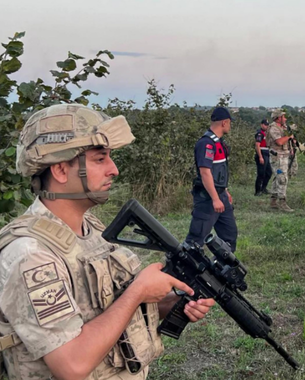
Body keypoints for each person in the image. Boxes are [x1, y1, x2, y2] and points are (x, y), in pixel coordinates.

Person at [0, 104, 215, 380]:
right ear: (61, 170)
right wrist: (137, 292)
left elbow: (107, 311)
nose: (113, 169)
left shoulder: (91, 231)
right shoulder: (31, 254)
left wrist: (171, 302)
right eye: (100, 159)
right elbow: (71, 365)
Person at [184, 107, 238, 252]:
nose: (230, 126)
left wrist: (224, 192)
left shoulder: (219, 142)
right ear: (224, 123)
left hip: (221, 196)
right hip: (207, 199)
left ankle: (222, 271)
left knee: (230, 236)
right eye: (229, 123)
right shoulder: (206, 143)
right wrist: (215, 198)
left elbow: (218, 171)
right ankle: (183, 271)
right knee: (195, 241)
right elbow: (205, 172)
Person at [266, 110, 294, 212]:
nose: (285, 119)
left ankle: (273, 201)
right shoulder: (273, 128)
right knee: (282, 179)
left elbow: (287, 141)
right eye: (283, 117)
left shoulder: (284, 127)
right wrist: (289, 136)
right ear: (278, 118)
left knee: (277, 178)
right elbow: (279, 142)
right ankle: (283, 202)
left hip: (284, 156)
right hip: (277, 158)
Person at [254, 119, 272, 196]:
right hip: (262, 153)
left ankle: (263, 188)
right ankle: (258, 191)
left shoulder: (266, 133)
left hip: (267, 153)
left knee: (268, 172)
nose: (266, 126)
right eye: (265, 125)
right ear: (261, 125)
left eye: (267, 125)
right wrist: (260, 157)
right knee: (261, 173)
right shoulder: (260, 134)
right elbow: (257, 145)